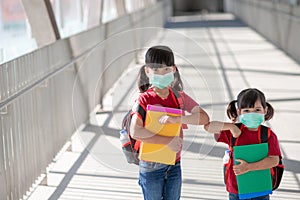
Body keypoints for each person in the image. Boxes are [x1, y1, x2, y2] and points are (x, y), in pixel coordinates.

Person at [130, 45, 209, 200]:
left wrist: (178, 118)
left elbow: (203, 118)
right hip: (151, 165)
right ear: (147, 71)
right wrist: (167, 142)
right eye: (156, 70)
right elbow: (135, 131)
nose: (161, 74)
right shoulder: (144, 99)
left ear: (173, 69)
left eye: (166, 69)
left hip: (174, 164)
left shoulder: (179, 97)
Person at [204, 88, 282, 200]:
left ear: (265, 110)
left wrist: (248, 167)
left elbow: (274, 160)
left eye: (257, 110)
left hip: (260, 188)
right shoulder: (232, 131)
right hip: (236, 189)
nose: (252, 114)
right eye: (246, 111)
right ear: (239, 112)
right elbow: (208, 127)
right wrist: (231, 127)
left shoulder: (268, 135)